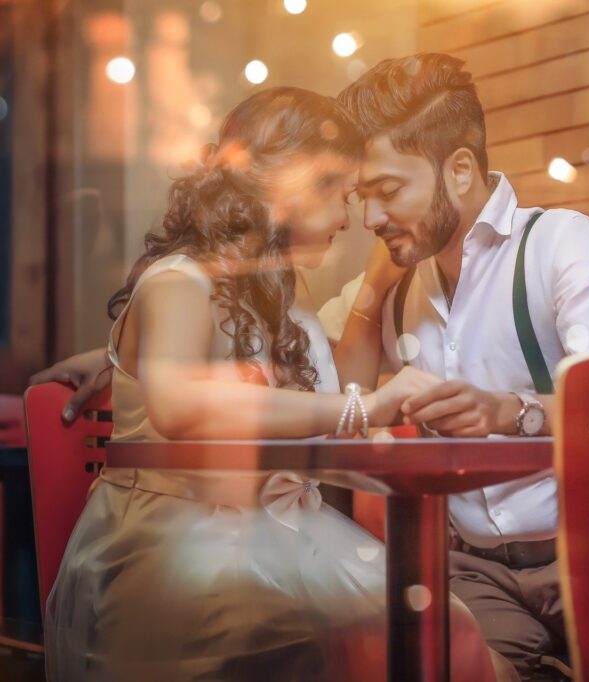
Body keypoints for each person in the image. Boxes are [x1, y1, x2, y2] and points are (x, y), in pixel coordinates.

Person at [38, 86, 497, 682]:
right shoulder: (177, 280)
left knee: (445, 628)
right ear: (282, 183)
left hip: (287, 536)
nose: (347, 218)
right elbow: (178, 403)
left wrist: (374, 294)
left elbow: (334, 404)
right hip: (182, 543)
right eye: (338, 191)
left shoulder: (285, 293)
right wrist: (368, 404)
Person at [328, 53, 589, 681]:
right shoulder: (398, 282)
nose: (371, 219)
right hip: (472, 570)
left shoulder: (558, 243)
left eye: (388, 192)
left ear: (461, 169)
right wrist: (368, 291)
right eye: (363, 198)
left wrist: (510, 411)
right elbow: (340, 398)